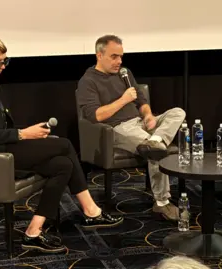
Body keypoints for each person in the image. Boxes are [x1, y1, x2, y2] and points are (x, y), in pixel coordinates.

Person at [0, 34, 123, 253]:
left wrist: (28, 133)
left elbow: (0, 126)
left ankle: (33, 231)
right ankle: (91, 211)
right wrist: (23, 134)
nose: (3, 67)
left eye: (6, 61)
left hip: (1, 147)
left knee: (63, 165)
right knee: (64, 145)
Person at [76, 35, 186, 221]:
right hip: (117, 129)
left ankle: (156, 139)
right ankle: (162, 203)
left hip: (140, 123)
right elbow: (95, 115)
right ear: (99, 55)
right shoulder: (88, 81)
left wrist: (149, 115)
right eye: (114, 56)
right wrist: (123, 100)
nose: (119, 61)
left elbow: (141, 102)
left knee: (177, 112)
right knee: (155, 153)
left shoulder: (125, 73)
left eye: (121, 56)